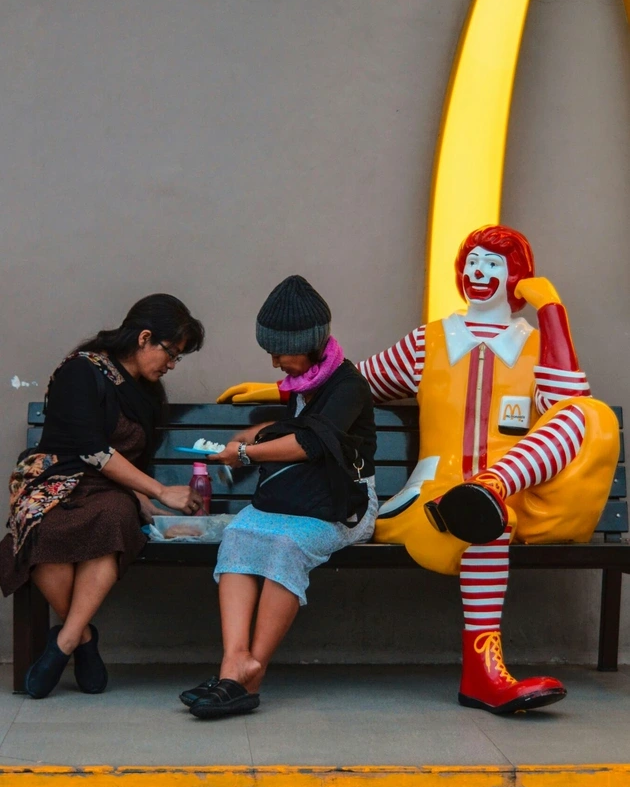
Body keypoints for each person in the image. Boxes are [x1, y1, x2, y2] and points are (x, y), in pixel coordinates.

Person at [217, 228, 619, 715]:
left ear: (518, 277)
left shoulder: (535, 347)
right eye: (472, 261)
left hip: (519, 496)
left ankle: (493, 485)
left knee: (589, 415)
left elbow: (563, 408)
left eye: (494, 264)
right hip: (434, 502)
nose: (479, 273)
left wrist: (552, 312)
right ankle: (483, 675)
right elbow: (351, 384)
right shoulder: (430, 341)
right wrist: (276, 389)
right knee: (485, 526)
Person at [180, 275, 377, 720]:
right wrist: (255, 434)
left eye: (280, 351)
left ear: (309, 343)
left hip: (344, 505)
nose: (274, 362)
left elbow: (309, 445)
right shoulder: (305, 381)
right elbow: (294, 429)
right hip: (299, 497)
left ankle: (254, 671)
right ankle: (233, 662)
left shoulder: (346, 385)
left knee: (286, 545)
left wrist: (246, 452)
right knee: (241, 535)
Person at [0, 293, 205, 699]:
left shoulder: (146, 392)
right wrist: (161, 491)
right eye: (172, 353)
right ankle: (85, 639)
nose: (171, 365)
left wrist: (138, 493)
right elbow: (92, 449)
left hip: (110, 491)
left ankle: (62, 644)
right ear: (145, 338)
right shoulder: (81, 371)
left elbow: (130, 461)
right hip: (57, 479)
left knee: (113, 518)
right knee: (43, 529)